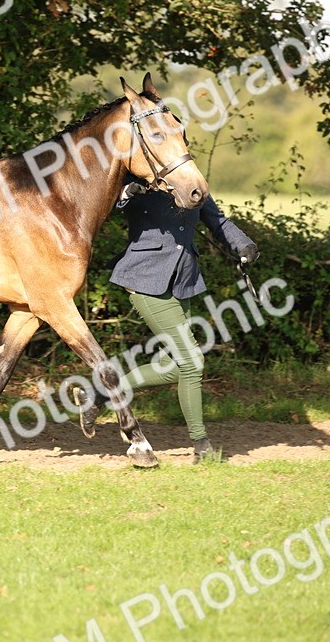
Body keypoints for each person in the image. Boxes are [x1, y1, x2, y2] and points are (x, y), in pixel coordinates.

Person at [75, 175, 257, 462]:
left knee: (172, 367)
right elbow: (106, 203)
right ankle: (202, 447)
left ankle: (99, 393)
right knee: (192, 362)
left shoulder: (191, 182)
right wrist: (125, 192)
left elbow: (217, 220)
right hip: (145, 277)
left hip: (181, 279)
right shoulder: (138, 178)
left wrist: (243, 244)